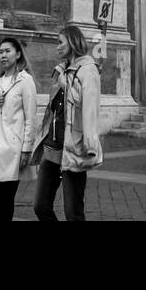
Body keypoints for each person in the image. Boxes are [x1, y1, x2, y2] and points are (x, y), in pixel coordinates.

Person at [33, 23, 102, 221]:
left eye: (60, 42)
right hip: (52, 148)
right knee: (40, 206)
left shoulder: (88, 71)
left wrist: (89, 145)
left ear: (72, 42)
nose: (57, 46)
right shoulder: (61, 71)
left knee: (73, 213)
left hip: (73, 149)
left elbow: (89, 108)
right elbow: (53, 110)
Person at [0, 37, 36, 221]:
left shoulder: (25, 81)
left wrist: (27, 150)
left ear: (18, 54)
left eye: (7, 51)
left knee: (3, 201)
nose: (3, 55)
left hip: (12, 150)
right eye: (0, 51)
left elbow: (31, 118)